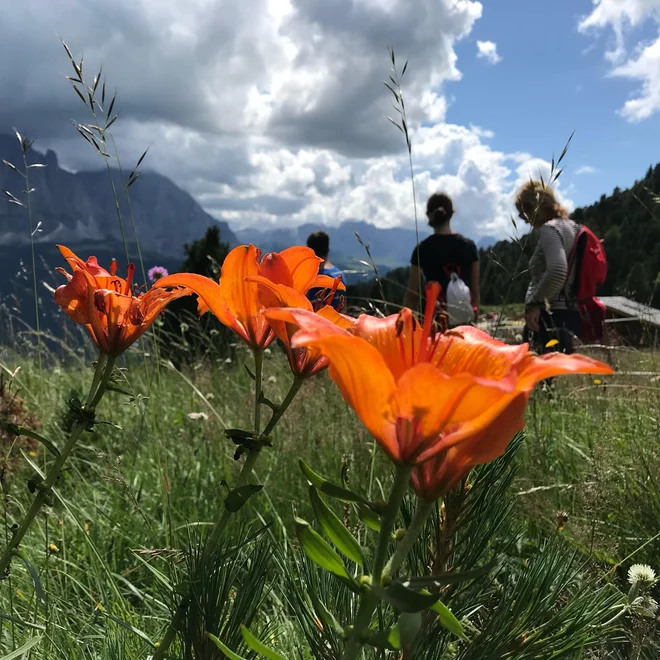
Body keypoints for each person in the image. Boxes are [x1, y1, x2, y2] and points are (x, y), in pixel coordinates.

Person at [515, 180, 580, 354]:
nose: (523, 219)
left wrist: (535, 302)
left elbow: (558, 271)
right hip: (573, 315)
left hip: (551, 319)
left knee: (540, 377)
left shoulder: (550, 230)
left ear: (532, 207)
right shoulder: (573, 227)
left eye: (522, 212)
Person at [403, 193, 480, 326]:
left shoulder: (422, 249)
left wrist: (403, 324)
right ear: (451, 214)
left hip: (433, 323)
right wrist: (474, 319)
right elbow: (475, 292)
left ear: (429, 215)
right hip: (464, 324)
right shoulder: (469, 246)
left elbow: (412, 295)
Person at [306, 231, 346, 311]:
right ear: (328, 249)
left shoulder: (314, 277)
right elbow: (344, 308)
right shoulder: (339, 274)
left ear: (310, 251)